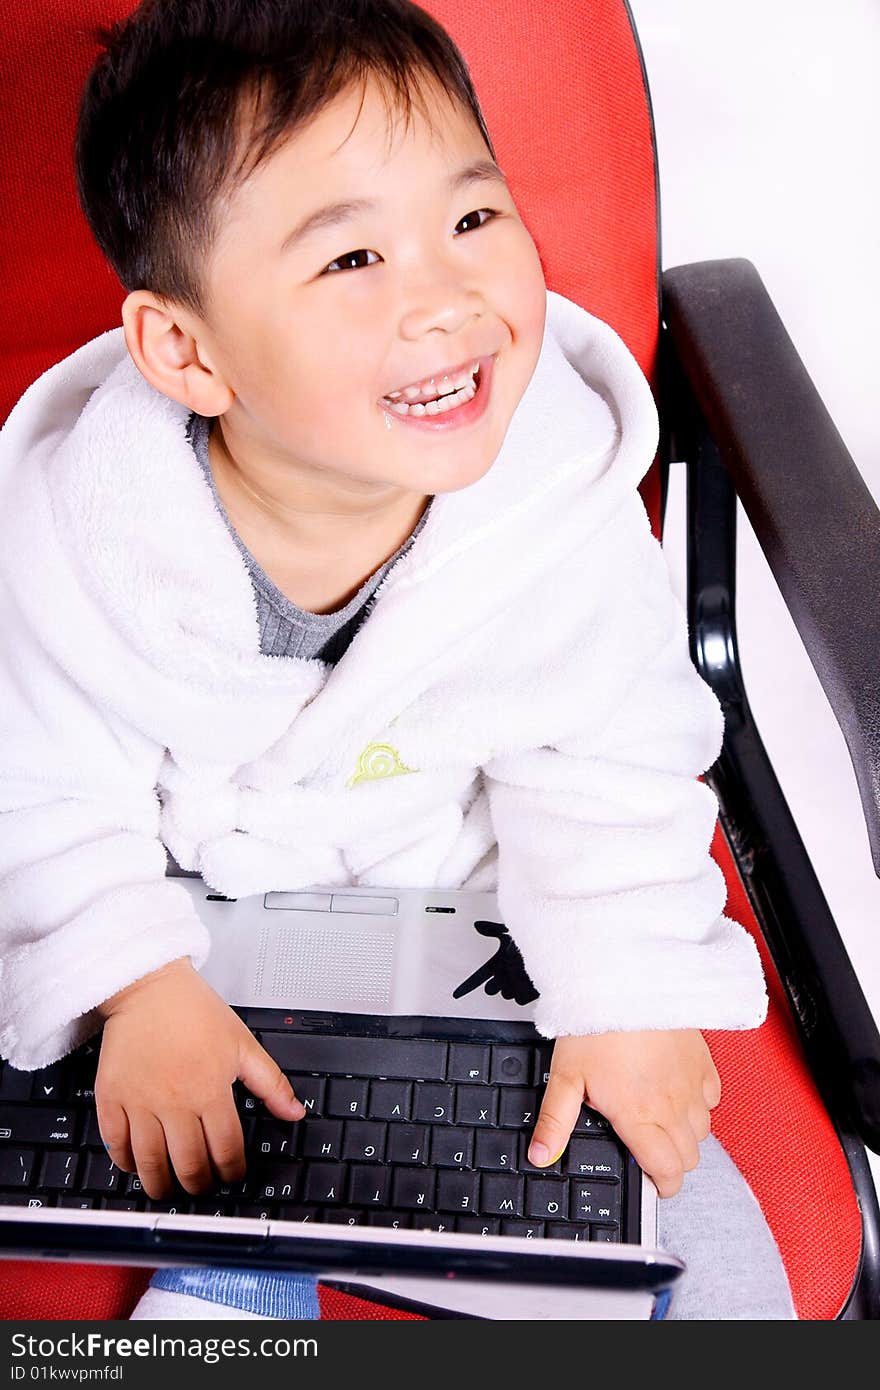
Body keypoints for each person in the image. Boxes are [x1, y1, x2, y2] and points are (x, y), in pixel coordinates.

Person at [0, 0, 794, 1320]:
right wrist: (133, 981)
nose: (450, 296)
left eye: (475, 219)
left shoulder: (553, 502)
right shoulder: (78, 537)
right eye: (355, 257)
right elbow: (33, 779)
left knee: (706, 1252)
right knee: (215, 1215)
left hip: (466, 900)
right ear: (185, 350)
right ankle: (229, 1267)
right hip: (198, 927)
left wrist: (629, 988)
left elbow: (608, 753)